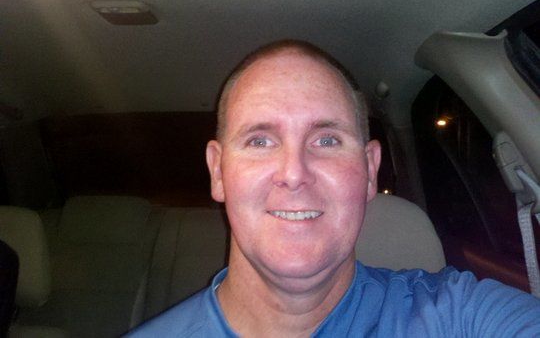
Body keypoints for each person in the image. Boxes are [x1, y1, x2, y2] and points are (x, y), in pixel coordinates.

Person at [127, 40, 540, 337]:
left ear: (370, 170)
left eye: (326, 140)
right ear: (218, 172)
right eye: (260, 141)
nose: (294, 173)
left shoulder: (461, 318)